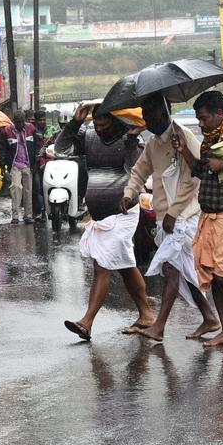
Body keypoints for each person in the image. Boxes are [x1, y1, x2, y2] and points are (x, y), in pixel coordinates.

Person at [121, 93, 220, 342]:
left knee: (171, 268)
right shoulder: (154, 142)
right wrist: (129, 193)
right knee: (184, 271)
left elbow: (195, 178)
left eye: (149, 114)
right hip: (165, 216)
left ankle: (160, 326)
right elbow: (140, 170)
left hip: (185, 216)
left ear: (163, 112)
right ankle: (209, 317)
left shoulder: (183, 136)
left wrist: (174, 213)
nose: (145, 119)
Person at [58, 103, 154, 340]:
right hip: (100, 214)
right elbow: (61, 149)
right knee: (124, 266)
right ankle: (147, 315)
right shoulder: (88, 134)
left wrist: (132, 140)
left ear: (115, 121)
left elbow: (137, 171)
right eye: (96, 124)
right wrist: (75, 123)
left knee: (102, 265)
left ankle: (87, 322)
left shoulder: (130, 139)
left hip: (123, 212)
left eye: (104, 125)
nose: (99, 129)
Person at [175, 91, 223, 348]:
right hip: (208, 213)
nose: (200, 123)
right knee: (213, 272)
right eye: (198, 119)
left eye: (204, 118)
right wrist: (185, 151)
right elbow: (201, 171)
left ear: (220, 114)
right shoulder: (210, 138)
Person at [0, 111, 39, 225]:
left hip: (27, 164)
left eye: (22, 121)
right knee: (16, 188)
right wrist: (3, 164)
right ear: (14, 121)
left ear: (24, 120)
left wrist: (35, 161)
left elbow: (36, 145)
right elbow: (3, 149)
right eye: (17, 122)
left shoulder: (31, 128)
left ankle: (28, 215)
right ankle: (15, 216)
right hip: (15, 164)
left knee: (28, 190)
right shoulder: (6, 131)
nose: (20, 124)